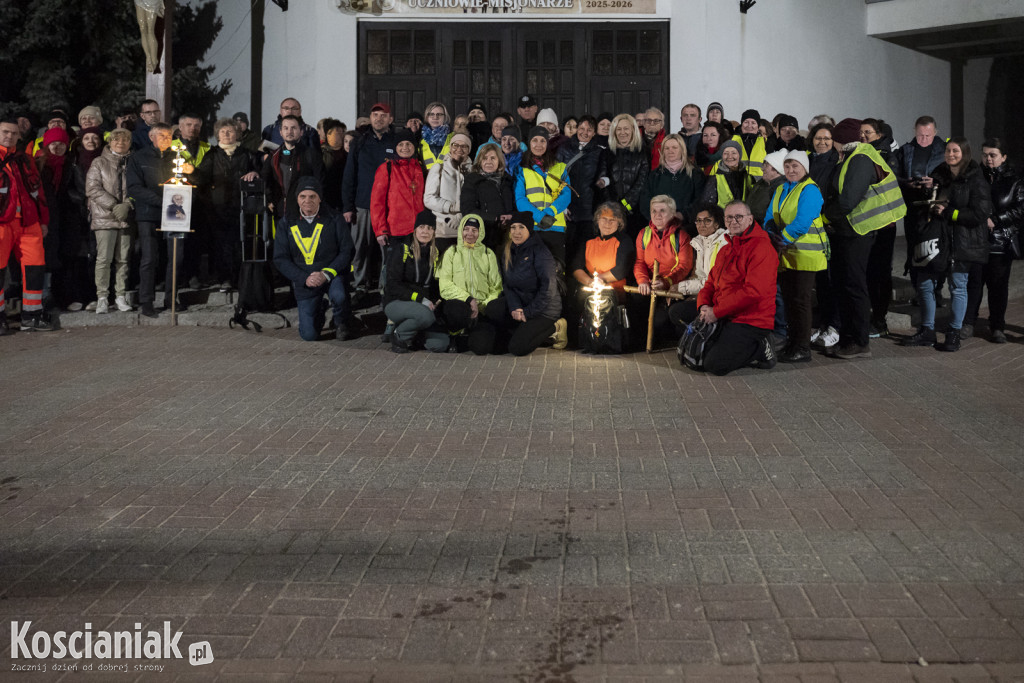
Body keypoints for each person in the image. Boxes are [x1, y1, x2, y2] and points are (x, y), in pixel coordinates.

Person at [823, 126, 907, 359]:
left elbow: (848, 199)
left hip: (857, 232)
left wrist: (825, 216)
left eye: (832, 138)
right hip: (846, 231)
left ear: (840, 140)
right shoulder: (850, 158)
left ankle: (860, 342)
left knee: (854, 285)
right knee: (843, 285)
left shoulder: (860, 158)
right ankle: (848, 338)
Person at [905, 138, 992, 352]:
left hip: (962, 241)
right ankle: (927, 331)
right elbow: (929, 201)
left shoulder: (975, 178)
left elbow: (980, 213)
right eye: (947, 150)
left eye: (955, 151)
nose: (950, 154)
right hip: (936, 239)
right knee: (925, 283)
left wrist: (950, 212)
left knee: (957, 286)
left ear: (964, 153)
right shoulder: (939, 174)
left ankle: (953, 333)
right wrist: (926, 191)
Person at [694, 200, 779, 375]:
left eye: (739, 217)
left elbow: (752, 292)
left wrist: (716, 312)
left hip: (751, 318)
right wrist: (703, 306)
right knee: (678, 312)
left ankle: (761, 347)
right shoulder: (727, 248)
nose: (734, 221)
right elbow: (710, 282)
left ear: (750, 219)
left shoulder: (761, 248)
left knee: (714, 365)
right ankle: (720, 341)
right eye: (729, 217)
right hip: (726, 311)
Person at [763, 150, 828, 363]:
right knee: (790, 300)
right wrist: (769, 229)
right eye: (788, 166)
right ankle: (793, 344)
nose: (791, 170)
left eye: (796, 166)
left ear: (805, 169)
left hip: (805, 255)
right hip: (787, 254)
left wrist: (780, 238)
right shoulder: (782, 188)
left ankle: (802, 347)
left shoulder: (810, 190)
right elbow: (769, 214)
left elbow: (802, 221)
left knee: (800, 301)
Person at [273, 177, 355, 342]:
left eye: (312, 196)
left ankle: (341, 322)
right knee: (309, 336)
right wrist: (304, 278)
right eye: (303, 196)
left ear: (320, 198)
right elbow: (280, 258)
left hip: (331, 275)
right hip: (305, 279)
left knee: (339, 296)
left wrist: (326, 274)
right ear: (297, 199)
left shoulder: (334, 218)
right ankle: (320, 307)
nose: (307, 200)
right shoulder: (287, 222)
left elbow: (347, 251)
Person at [192, 118, 260, 291]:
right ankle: (224, 279)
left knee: (240, 242)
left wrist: (254, 172)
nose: (227, 134)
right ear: (217, 135)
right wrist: (191, 172)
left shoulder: (247, 153)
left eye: (230, 131)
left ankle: (240, 279)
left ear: (237, 133)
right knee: (221, 244)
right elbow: (202, 178)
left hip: (241, 206)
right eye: (223, 131)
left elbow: (258, 171)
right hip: (218, 207)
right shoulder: (213, 154)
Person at [482, 212, 564, 355]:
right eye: (513, 227)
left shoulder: (540, 251)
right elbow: (507, 285)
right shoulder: (508, 251)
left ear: (529, 230)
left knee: (517, 348)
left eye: (521, 227)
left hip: (544, 310)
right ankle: (519, 329)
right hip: (523, 305)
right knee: (493, 308)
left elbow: (548, 289)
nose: (516, 232)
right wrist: (515, 307)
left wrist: (528, 312)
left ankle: (556, 327)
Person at [126, 122, 186, 318]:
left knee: (175, 256)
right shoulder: (138, 157)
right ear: (151, 137)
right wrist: (161, 201)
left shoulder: (177, 156)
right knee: (149, 257)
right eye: (161, 135)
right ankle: (146, 301)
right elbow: (134, 187)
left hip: (175, 213)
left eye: (168, 136)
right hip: (148, 213)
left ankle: (171, 298)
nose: (165, 139)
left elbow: (185, 182)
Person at [0, 117, 51, 333]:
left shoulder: (25, 160)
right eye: (5, 132)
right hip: (3, 222)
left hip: (29, 223)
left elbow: (38, 193)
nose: (9, 136)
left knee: (35, 268)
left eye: (13, 133)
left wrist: (43, 221)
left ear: (19, 136)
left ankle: (32, 316)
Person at [342, 103, 397, 301]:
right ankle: (359, 286)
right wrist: (348, 207)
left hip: (389, 207)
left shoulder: (397, 141)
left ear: (390, 119)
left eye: (383, 115)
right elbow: (349, 176)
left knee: (387, 250)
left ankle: (386, 287)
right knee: (360, 249)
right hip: (363, 205)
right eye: (375, 115)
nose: (379, 118)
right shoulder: (360, 142)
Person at [969, 139, 1021, 344]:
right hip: (976, 240)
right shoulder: (975, 176)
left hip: (1001, 240)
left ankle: (997, 326)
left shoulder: (1014, 179)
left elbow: (1020, 208)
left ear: (1004, 157)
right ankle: (968, 322)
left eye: (993, 155)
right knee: (974, 284)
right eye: (985, 155)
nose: (988, 159)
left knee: (998, 287)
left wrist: (996, 220)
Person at [630, 194, 693, 346]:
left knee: (659, 323)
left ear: (672, 214)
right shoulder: (643, 234)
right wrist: (643, 281)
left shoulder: (682, 236)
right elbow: (639, 262)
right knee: (636, 304)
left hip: (670, 287)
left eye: (662, 211)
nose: (657, 215)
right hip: (650, 284)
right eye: (654, 211)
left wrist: (665, 282)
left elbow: (684, 267)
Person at [381, 211, 448, 353]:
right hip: (396, 302)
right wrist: (420, 299)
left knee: (441, 343)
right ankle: (399, 335)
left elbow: (434, 286)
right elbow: (393, 285)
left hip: (420, 305)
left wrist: (436, 301)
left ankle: (414, 336)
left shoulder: (434, 252)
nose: (425, 231)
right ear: (415, 229)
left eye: (430, 228)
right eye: (422, 227)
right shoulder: (402, 249)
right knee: (425, 316)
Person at [437, 214, 504, 354]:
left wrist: (483, 305)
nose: (470, 234)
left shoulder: (488, 253)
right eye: (466, 229)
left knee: (481, 348)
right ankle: (455, 335)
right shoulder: (452, 252)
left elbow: (496, 286)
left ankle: (470, 336)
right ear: (461, 230)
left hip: (481, 309)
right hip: (461, 306)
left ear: (480, 233)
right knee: (456, 310)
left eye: (474, 230)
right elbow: (445, 286)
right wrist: (468, 300)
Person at [85, 128, 134, 314]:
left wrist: (128, 205)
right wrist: (114, 205)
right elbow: (92, 188)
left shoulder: (133, 162)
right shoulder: (99, 162)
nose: (120, 143)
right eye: (116, 140)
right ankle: (102, 297)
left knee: (123, 259)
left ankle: (120, 296)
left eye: (125, 140)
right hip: (105, 217)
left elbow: (137, 187)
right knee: (104, 259)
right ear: (110, 142)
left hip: (126, 218)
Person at [859, 118, 899, 337]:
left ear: (879, 135)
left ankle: (880, 320)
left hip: (884, 223)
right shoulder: (863, 153)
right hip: (868, 222)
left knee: (880, 272)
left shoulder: (884, 156)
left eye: (868, 132)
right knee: (869, 271)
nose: (863, 135)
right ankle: (872, 316)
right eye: (861, 132)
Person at [370, 128, 426, 276]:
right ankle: (388, 296)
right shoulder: (386, 168)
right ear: (395, 147)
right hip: (395, 230)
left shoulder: (420, 168)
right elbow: (377, 203)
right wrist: (380, 230)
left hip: (417, 230)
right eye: (401, 144)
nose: (405, 147)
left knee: (414, 269)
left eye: (408, 143)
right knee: (393, 269)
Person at [667, 202, 727, 334]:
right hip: (707, 294)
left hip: (719, 298)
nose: (702, 225)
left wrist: (682, 288)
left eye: (707, 221)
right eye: (698, 221)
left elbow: (714, 282)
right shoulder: (700, 242)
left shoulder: (723, 243)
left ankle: (709, 337)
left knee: (676, 312)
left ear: (717, 223)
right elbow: (700, 276)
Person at [515, 127, 572, 266]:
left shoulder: (560, 167)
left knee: (556, 271)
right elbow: (520, 199)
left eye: (543, 141)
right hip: (532, 228)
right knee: (531, 271)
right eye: (535, 140)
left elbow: (567, 194)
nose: (538, 145)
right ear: (529, 143)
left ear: (548, 143)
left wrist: (550, 212)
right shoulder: (522, 169)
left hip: (555, 227)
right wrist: (539, 216)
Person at [557, 114, 608, 262]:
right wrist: (562, 206)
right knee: (567, 249)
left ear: (594, 133)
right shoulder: (564, 148)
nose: (585, 132)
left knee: (586, 251)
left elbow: (603, 172)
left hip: (588, 208)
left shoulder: (599, 151)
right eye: (582, 128)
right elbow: (556, 178)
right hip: (568, 207)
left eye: (589, 130)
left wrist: (603, 182)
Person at [262, 115, 324, 223]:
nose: (289, 131)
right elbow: (265, 179)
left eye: (293, 128)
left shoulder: (311, 155)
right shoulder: (274, 156)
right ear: (280, 132)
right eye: (286, 128)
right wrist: (269, 200)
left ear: (301, 132)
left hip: (305, 212)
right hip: (279, 211)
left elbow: (321, 182)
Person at [640, 134, 706, 232]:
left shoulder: (695, 173)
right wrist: (657, 219)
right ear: (662, 151)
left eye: (675, 147)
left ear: (682, 150)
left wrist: (682, 215)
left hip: (688, 228)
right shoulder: (654, 175)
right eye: (667, 148)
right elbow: (644, 201)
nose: (670, 151)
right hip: (660, 230)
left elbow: (700, 200)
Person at [461, 142, 516, 253]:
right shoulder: (472, 180)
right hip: (484, 235)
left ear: (499, 161)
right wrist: (495, 218)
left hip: (507, 235)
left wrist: (511, 216)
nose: (488, 162)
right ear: (480, 161)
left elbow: (515, 205)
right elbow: (468, 210)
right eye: (485, 158)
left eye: (492, 158)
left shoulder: (508, 180)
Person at [424, 132, 472, 256]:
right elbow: (428, 199)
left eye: (464, 146)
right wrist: (450, 207)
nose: (459, 149)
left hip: (468, 230)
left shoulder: (474, 171)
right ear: (450, 147)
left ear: (469, 150)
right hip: (443, 229)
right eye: (455, 145)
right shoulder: (439, 168)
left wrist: (461, 215)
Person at [607, 114, 650, 236]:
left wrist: (625, 205)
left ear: (633, 130)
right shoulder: (608, 152)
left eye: (626, 128)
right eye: (618, 129)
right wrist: (614, 206)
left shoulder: (642, 152)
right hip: (612, 212)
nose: (622, 132)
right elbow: (603, 181)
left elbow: (642, 181)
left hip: (636, 211)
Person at [701, 140, 749, 209]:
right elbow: (707, 207)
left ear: (739, 155)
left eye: (734, 153)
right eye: (726, 153)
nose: (730, 156)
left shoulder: (748, 178)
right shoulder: (714, 180)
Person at [420, 102, 453, 172]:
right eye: (431, 114)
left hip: (448, 179)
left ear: (445, 117)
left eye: (439, 114)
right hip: (427, 179)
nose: (435, 117)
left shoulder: (453, 138)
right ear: (427, 117)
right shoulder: (419, 139)